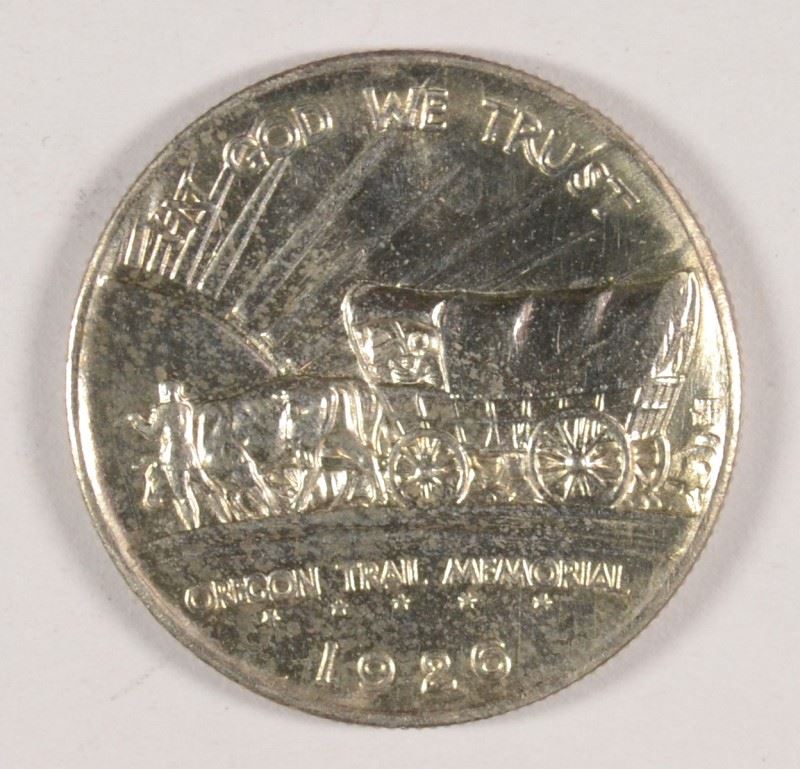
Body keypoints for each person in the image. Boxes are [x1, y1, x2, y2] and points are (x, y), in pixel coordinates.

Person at [128, 381, 213, 530]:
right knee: (198, 488)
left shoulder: (164, 409)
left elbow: (152, 433)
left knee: (182, 494)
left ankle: (193, 528)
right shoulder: (186, 408)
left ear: (166, 392)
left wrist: (137, 422)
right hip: (188, 453)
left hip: (172, 455)